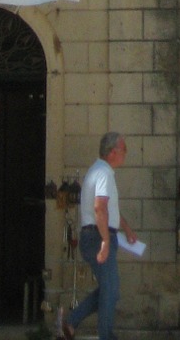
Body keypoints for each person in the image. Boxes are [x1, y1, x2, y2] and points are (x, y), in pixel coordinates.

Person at [59, 132, 137, 340]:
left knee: (110, 289)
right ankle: (105, 335)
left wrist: (127, 229)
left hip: (94, 235)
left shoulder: (99, 171)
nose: (125, 154)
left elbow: (109, 209)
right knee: (111, 291)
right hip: (97, 236)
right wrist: (105, 240)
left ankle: (71, 323)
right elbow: (100, 208)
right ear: (113, 152)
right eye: (124, 150)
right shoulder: (103, 174)